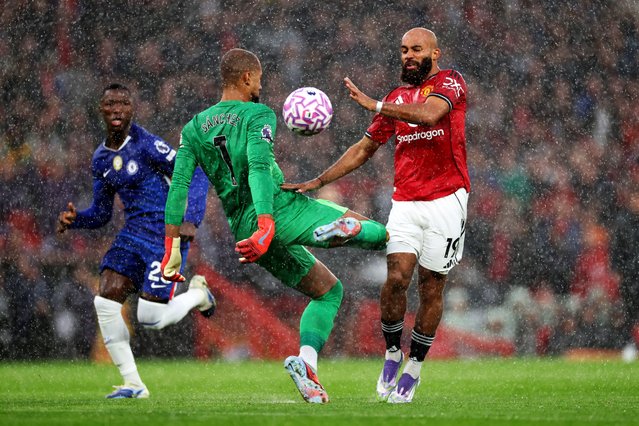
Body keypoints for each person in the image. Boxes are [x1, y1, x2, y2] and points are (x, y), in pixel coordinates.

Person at [161, 48, 388, 404]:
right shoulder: (257, 114)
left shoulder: (193, 129)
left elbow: (178, 187)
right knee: (386, 237)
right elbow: (258, 167)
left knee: (329, 292)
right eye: (260, 78)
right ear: (248, 78)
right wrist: (267, 221)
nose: (262, 85)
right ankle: (348, 231)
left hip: (244, 230)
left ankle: (307, 364)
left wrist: (171, 247)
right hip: (276, 211)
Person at [282, 28, 469, 403]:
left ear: (435, 52)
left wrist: (377, 106)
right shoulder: (396, 98)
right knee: (397, 277)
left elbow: (432, 115)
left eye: (416, 49)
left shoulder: (452, 82)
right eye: (403, 50)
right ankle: (392, 352)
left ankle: (414, 366)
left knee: (431, 286)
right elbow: (364, 148)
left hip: (448, 200)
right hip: (405, 201)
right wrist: (319, 180)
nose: (408, 56)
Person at [57, 83, 214, 399]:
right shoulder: (101, 158)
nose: (117, 109)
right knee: (104, 301)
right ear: (100, 110)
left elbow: (196, 173)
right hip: (132, 234)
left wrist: (190, 219)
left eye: (123, 103)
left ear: (132, 110)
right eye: (110, 103)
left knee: (150, 318)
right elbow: (101, 213)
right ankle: (133, 384)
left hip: (164, 233)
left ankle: (198, 294)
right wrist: (78, 220)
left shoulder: (146, 145)